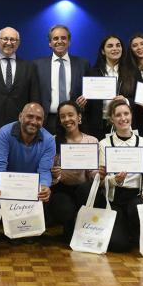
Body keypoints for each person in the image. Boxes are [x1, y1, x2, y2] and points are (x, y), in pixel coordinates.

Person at [0, 103, 56, 240]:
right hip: (8, 190)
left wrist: (45, 186)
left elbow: (45, 171)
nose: (34, 122)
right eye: (30, 116)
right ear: (20, 116)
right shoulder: (4, 132)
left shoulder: (49, 140)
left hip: (31, 192)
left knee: (29, 238)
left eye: (39, 118)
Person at [94, 100, 143, 252]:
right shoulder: (104, 143)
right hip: (114, 199)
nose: (123, 118)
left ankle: (133, 230)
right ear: (111, 119)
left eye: (126, 113)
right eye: (118, 115)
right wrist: (115, 180)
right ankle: (125, 231)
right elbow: (102, 182)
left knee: (136, 209)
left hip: (137, 196)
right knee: (118, 245)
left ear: (131, 115)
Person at [0, 26, 41, 132]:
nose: (9, 43)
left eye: (13, 39)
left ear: (18, 43)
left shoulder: (29, 67)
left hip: (21, 127)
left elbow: (35, 99)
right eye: (5, 39)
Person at [48, 101, 95, 244]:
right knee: (63, 208)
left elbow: (94, 174)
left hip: (84, 189)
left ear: (79, 117)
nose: (67, 119)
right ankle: (69, 223)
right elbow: (49, 175)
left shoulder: (91, 141)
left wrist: (97, 172)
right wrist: (55, 175)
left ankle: (83, 224)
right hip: (62, 189)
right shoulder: (54, 141)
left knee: (86, 189)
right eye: (63, 117)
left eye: (70, 115)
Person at [34, 25, 90, 134]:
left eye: (63, 38)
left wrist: (85, 101)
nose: (60, 41)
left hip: (73, 121)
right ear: (50, 43)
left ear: (69, 41)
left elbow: (89, 92)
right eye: (55, 38)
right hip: (47, 120)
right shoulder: (37, 65)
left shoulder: (83, 64)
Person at [78, 34, 133, 139]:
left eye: (118, 45)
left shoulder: (132, 72)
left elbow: (139, 100)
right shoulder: (92, 72)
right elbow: (88, 104)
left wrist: (126, 100)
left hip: (124, 123)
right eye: (110, 46)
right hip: (98, 126)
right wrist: (81, 105)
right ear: (103, 51)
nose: (115, 48)